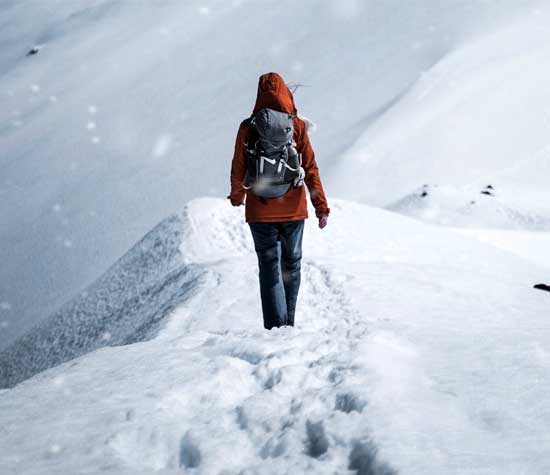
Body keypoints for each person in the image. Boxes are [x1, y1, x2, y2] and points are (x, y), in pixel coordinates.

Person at [229, 72, 330, 330]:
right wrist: (321, 207)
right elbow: (310, 167)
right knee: (291, 265)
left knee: (269, 266)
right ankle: (289, 324)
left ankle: (276, 328)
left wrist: (237, 196)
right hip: (293, 211)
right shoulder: (295, 126)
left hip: (260, 212)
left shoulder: (248, 127)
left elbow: (238, 167)